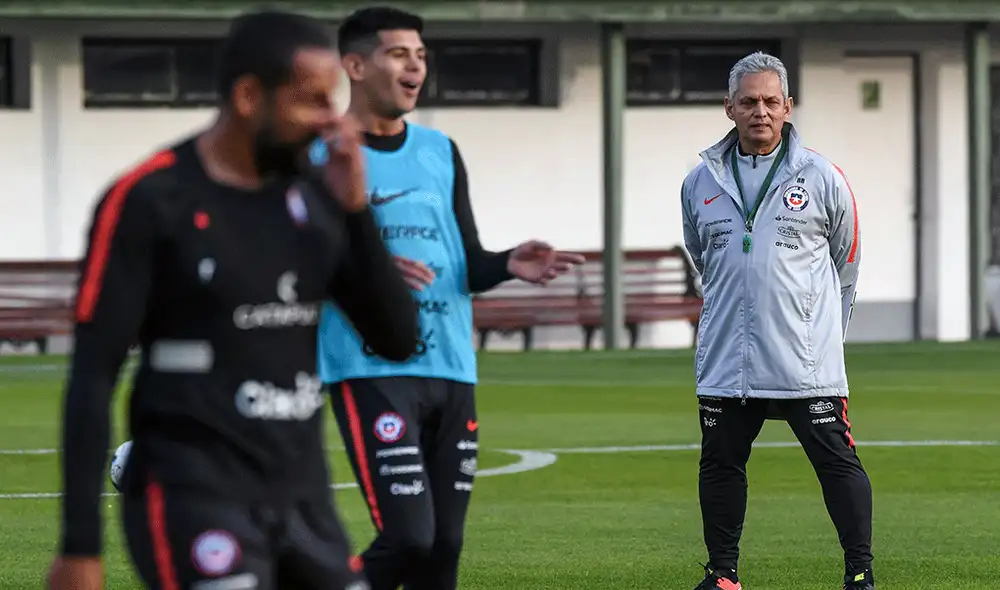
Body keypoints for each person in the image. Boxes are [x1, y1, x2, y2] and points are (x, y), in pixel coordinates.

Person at [46, 10, 419, 590]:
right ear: (249, 97)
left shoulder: (315, 202)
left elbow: (398, 338)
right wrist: (80, 548)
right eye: (314, 103)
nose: (333, 122)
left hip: (303, 501)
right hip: (194, 495)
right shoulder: (150, 200)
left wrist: (356, 211)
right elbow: (93, 376)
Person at [311, 7, 584, 590]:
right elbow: (293, 264)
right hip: (370, 367)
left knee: (444, 550)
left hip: (452, 367)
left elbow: (466, 263)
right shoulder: (320, 152)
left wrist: (505, 264)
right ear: (355, 65)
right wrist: (369, 273)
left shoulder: (440, 151)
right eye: (399, 54)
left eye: (421, 55)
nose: (415, 66)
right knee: (410, 536)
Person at [679, 52, 873, 590]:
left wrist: (826, 338)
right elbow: (704, 257)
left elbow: (847, 263)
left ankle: (859, 573)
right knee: (719, 467)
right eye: (748, 101)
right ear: (729, 108)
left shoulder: (824, 177)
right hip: (727, 361)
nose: (759, 111)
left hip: (804, 361)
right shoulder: (699, 181)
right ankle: (723, 576)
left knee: (836, 464)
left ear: (788, 107)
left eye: (770, 101)